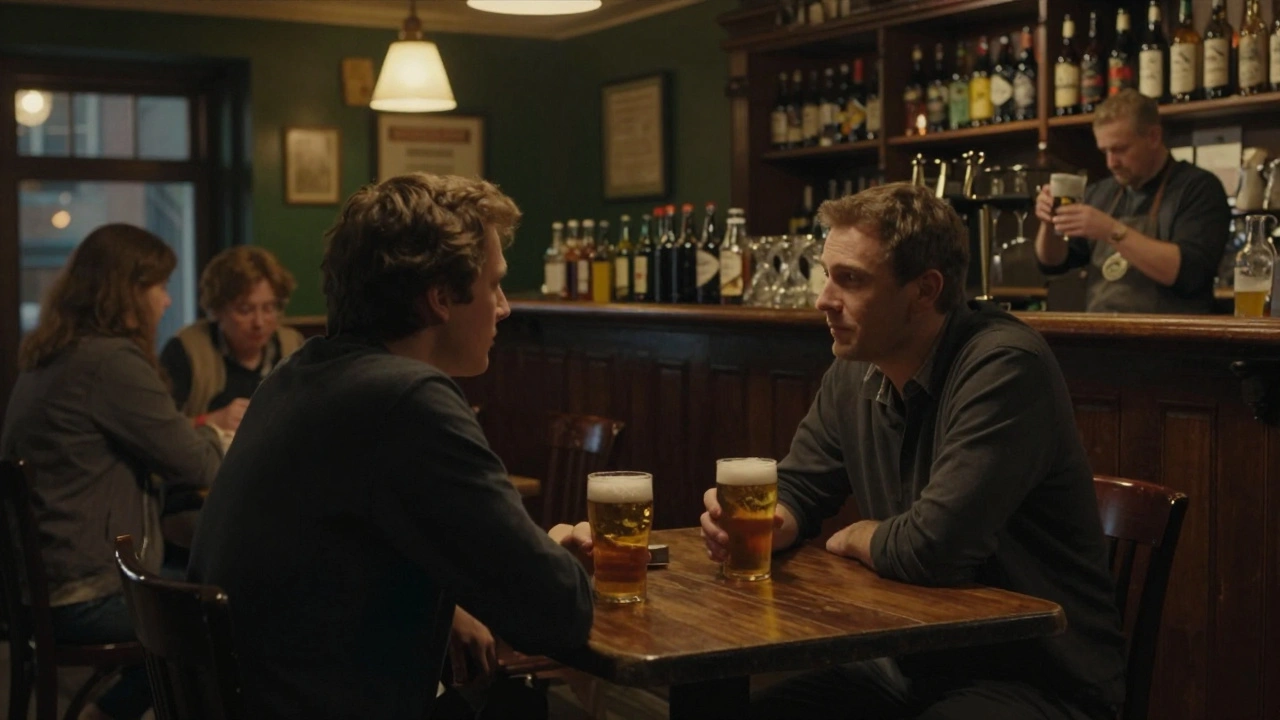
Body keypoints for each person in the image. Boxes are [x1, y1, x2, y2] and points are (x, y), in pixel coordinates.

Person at [700, 184, 1126, 720]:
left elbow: (936, 547)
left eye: (850, 280)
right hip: (911, 663)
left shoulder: (1004, 366)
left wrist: (863, 534)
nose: (823, 300)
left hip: (1035, 678)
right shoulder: (854, 369)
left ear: (925, 290)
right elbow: (803, 486)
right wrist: (770, 519)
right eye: (826, 273)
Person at [187, 173, 594, 720]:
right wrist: (558, 558)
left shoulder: (296, 375)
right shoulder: (408, 400)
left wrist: (451, 607)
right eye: (494, 284)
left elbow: (335, 555)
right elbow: (559, 613)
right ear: (441, 297)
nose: (504, 308)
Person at [1, 224, 223, 720]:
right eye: (160, 287)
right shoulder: (110, 362)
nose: (167, 302)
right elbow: (197, 465)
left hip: (44, 587)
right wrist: (221, 433)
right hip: (86, 592)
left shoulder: (56, 353)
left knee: (202, 588)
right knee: (223, 616)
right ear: (128, 291)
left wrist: (195, 430)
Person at [1034, 89, 1230, 313]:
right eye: (1105, 151)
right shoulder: (1101, 193)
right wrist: (1048, 221)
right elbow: (1054, 263)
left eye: (1120, 149)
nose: (1110, 163)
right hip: (1100, 336)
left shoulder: (1198, 188)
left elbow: (1190, 273)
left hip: (1171, 341)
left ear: (1154, 136)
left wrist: (1110, 230)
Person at [160, 245, 304, 433]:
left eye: (269, 308)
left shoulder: (292, 346)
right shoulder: (186, 349)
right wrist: (209, 421)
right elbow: (159, 432)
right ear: (217, 309)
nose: (259, 322)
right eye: (245, 310)